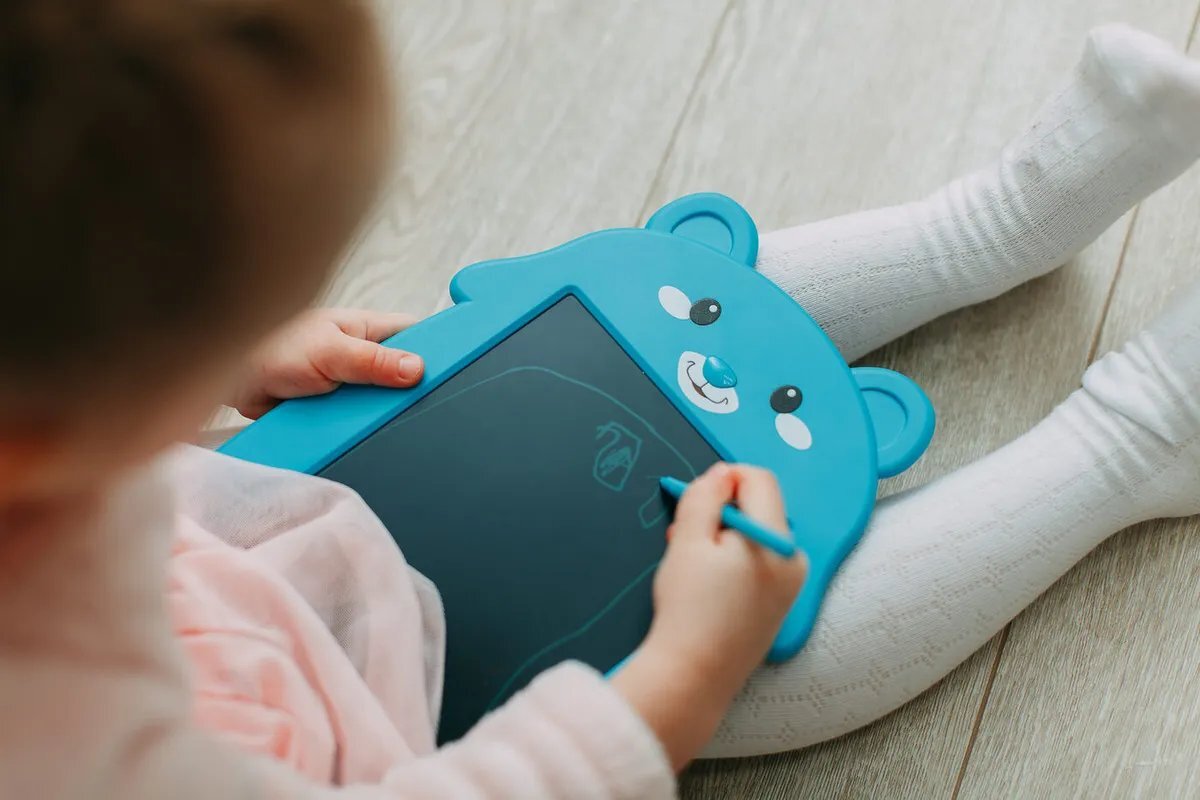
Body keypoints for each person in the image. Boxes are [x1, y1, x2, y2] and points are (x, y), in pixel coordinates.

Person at [0, 3, 1196, 798]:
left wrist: (222, 363)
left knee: (648, 309)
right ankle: (1136, 436)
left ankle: (989, 227)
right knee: (757, 638)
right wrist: (681, 673)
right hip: (382, 718)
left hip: (241, 525)